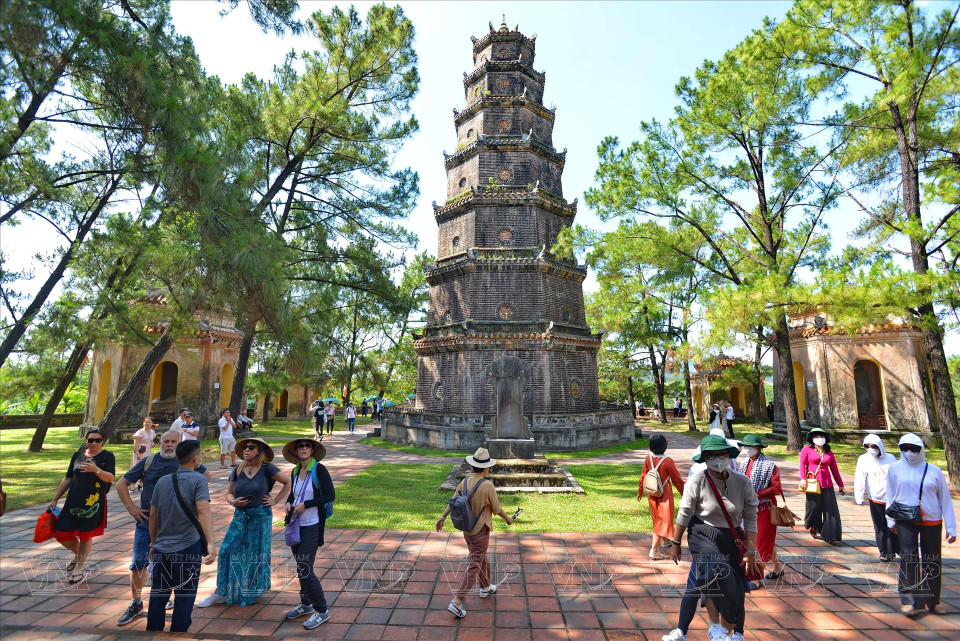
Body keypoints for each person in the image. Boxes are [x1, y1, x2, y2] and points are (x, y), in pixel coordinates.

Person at [664, 435, 758, 641]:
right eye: (711, 455)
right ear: (704, 458)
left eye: (721, 454)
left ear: (728, 455)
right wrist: (676, 543)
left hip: (731, 538)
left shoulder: (742, 482)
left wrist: (752, 551)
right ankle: (714, 628)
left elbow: (751, 519)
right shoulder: (697, 481)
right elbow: (684, 514)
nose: (717, 459)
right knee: (715, 571)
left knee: (733, 589)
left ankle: (726, 631)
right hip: (702, 534)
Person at [116, 429, 212, 625]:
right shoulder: (150, 461)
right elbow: (121, 484)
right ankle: (136, 602)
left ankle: (158, 619)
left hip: (173, 530)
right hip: (149, 526)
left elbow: (205, 477)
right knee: (140, 563)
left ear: (180, 445)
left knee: (163, 580)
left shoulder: (189, 466)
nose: (169, 445)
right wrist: (132, 508)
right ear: (159, 443)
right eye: (165, 441)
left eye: (173, 442)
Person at [197, 437, 290, 607]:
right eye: (245, 447)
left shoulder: (267, 468)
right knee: (226, 551)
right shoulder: (238, 469)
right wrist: (233, 502)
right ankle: (221, 591)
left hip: (260, 517)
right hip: (240, 516)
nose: (246, 450)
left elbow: (287, 482)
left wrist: (275, 501)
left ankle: (251, 590)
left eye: (251, 447)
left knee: (253, 555)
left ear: (260, 451)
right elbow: (228, 493)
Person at [146, 440, 216, 632]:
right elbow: (203, 511)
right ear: (196, 458)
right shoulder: (199, 480)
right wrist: (211, 543)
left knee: (158, 594)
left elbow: (153, 516)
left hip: (162, 548)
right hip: (187, 547)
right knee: (185, 595)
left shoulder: (162, 481)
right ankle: (178, 632)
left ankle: (152, 632)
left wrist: (153, 543)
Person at [436, 447, 514, 619]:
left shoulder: (464, 482)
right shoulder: (487, 485)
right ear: (486, 468)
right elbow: (497, 509)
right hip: (480, 530)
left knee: (480, 557)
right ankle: (456, 602)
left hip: (467, 530)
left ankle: (485, 587)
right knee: (474, 564)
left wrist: (442, 517)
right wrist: (509, 519)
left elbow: (452, 502)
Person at [885, 433, 956, 616]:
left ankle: (933, 601)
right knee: (909, 558)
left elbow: (945, 499)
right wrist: (890, 520)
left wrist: (951, 526)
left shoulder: (934, 471)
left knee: (932, 559)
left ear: (921, 449)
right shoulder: (894, 469)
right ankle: (909, 600)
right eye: (905, 448)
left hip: (931, 518)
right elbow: (890, 495)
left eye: (914, 449)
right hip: (905, 519)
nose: (909, 452)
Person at [47, 427, 116, 584]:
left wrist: (95, 469)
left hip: (93, 502)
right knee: (61, 533)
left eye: (97, 440)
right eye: (90, 440)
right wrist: (55, 498)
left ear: (103, 441)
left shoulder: (107, 456)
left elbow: (110, 478)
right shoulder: (77, 455)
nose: (93, 443)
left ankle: (79, 569)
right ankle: (80, 556)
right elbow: (68, 478)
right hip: (73, 500)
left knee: (86, 535)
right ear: (86, 440)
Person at [282, 438, 335, 630]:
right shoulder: (296, 471)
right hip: (296, 524)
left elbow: (330, 495)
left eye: (307, 446)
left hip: (312, 525)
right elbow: (293, 494)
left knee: (305, 568)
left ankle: (322, 611)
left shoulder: (319, 470)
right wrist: (288, 503)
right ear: (296, 451)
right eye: (300, 447)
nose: (303, 449)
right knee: (300, 567)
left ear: (312, 450)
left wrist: (307, 505)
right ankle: (306, 603)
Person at [738, 434, 784, 589]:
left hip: (765, 507)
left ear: (758, 448)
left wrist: (758, 494)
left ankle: (756, 578)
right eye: (745, 446)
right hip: (748, 507)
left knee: (761, 542)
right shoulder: (744, 463)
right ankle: (777, 567)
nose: (747, 449)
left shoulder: (769, 466)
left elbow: (776, 488)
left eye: (750, 446)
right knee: (765, 540)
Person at [639, 434, 685, 560]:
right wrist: (685, 494)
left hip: (652, 494)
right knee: (662, 521)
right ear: (664, 446)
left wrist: (640, 491)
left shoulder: (648, 458)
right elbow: (677, 481)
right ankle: (653, 550)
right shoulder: (668, 461)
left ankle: (664, 541)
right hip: (664, 494)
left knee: (658, 519)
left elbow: (643, 475)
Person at [855, 434, 899, 561]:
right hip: (875, 498)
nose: (870, 448)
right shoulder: (863, 459)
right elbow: (860, 478)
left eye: (873, 445)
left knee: (893, 524)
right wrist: (859, 497)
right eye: (866, 446)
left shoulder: (891, 458)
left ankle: (895, 549)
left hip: (892, 498)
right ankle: (884, 551)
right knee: (880, 526)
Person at [800, 427, 844, 544]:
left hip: (827, 484)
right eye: (816, 436)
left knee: (830, 509)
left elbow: (835, 470)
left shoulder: (829, 453)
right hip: (813, 483)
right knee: (814, 507)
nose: (819, 439)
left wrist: (840, 484)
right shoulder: (807, 450)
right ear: (812, 438)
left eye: (821, 436)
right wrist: (803, 479)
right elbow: (802, 464)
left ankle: (830, 535)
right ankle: (814, 525)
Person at [131, 417, 157, 487]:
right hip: (140, 451)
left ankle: (141, 483)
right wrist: (137, 453)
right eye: (146, 422)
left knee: (146, 467)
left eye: (149, 422)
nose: (147, 423)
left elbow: (150, 440)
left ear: (152, 423)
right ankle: (132, 484)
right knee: (136, 467)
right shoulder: (140, 432)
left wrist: (152, 443)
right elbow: (135, 443)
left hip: (147, 451)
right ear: (143, 423)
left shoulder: (152, 432)